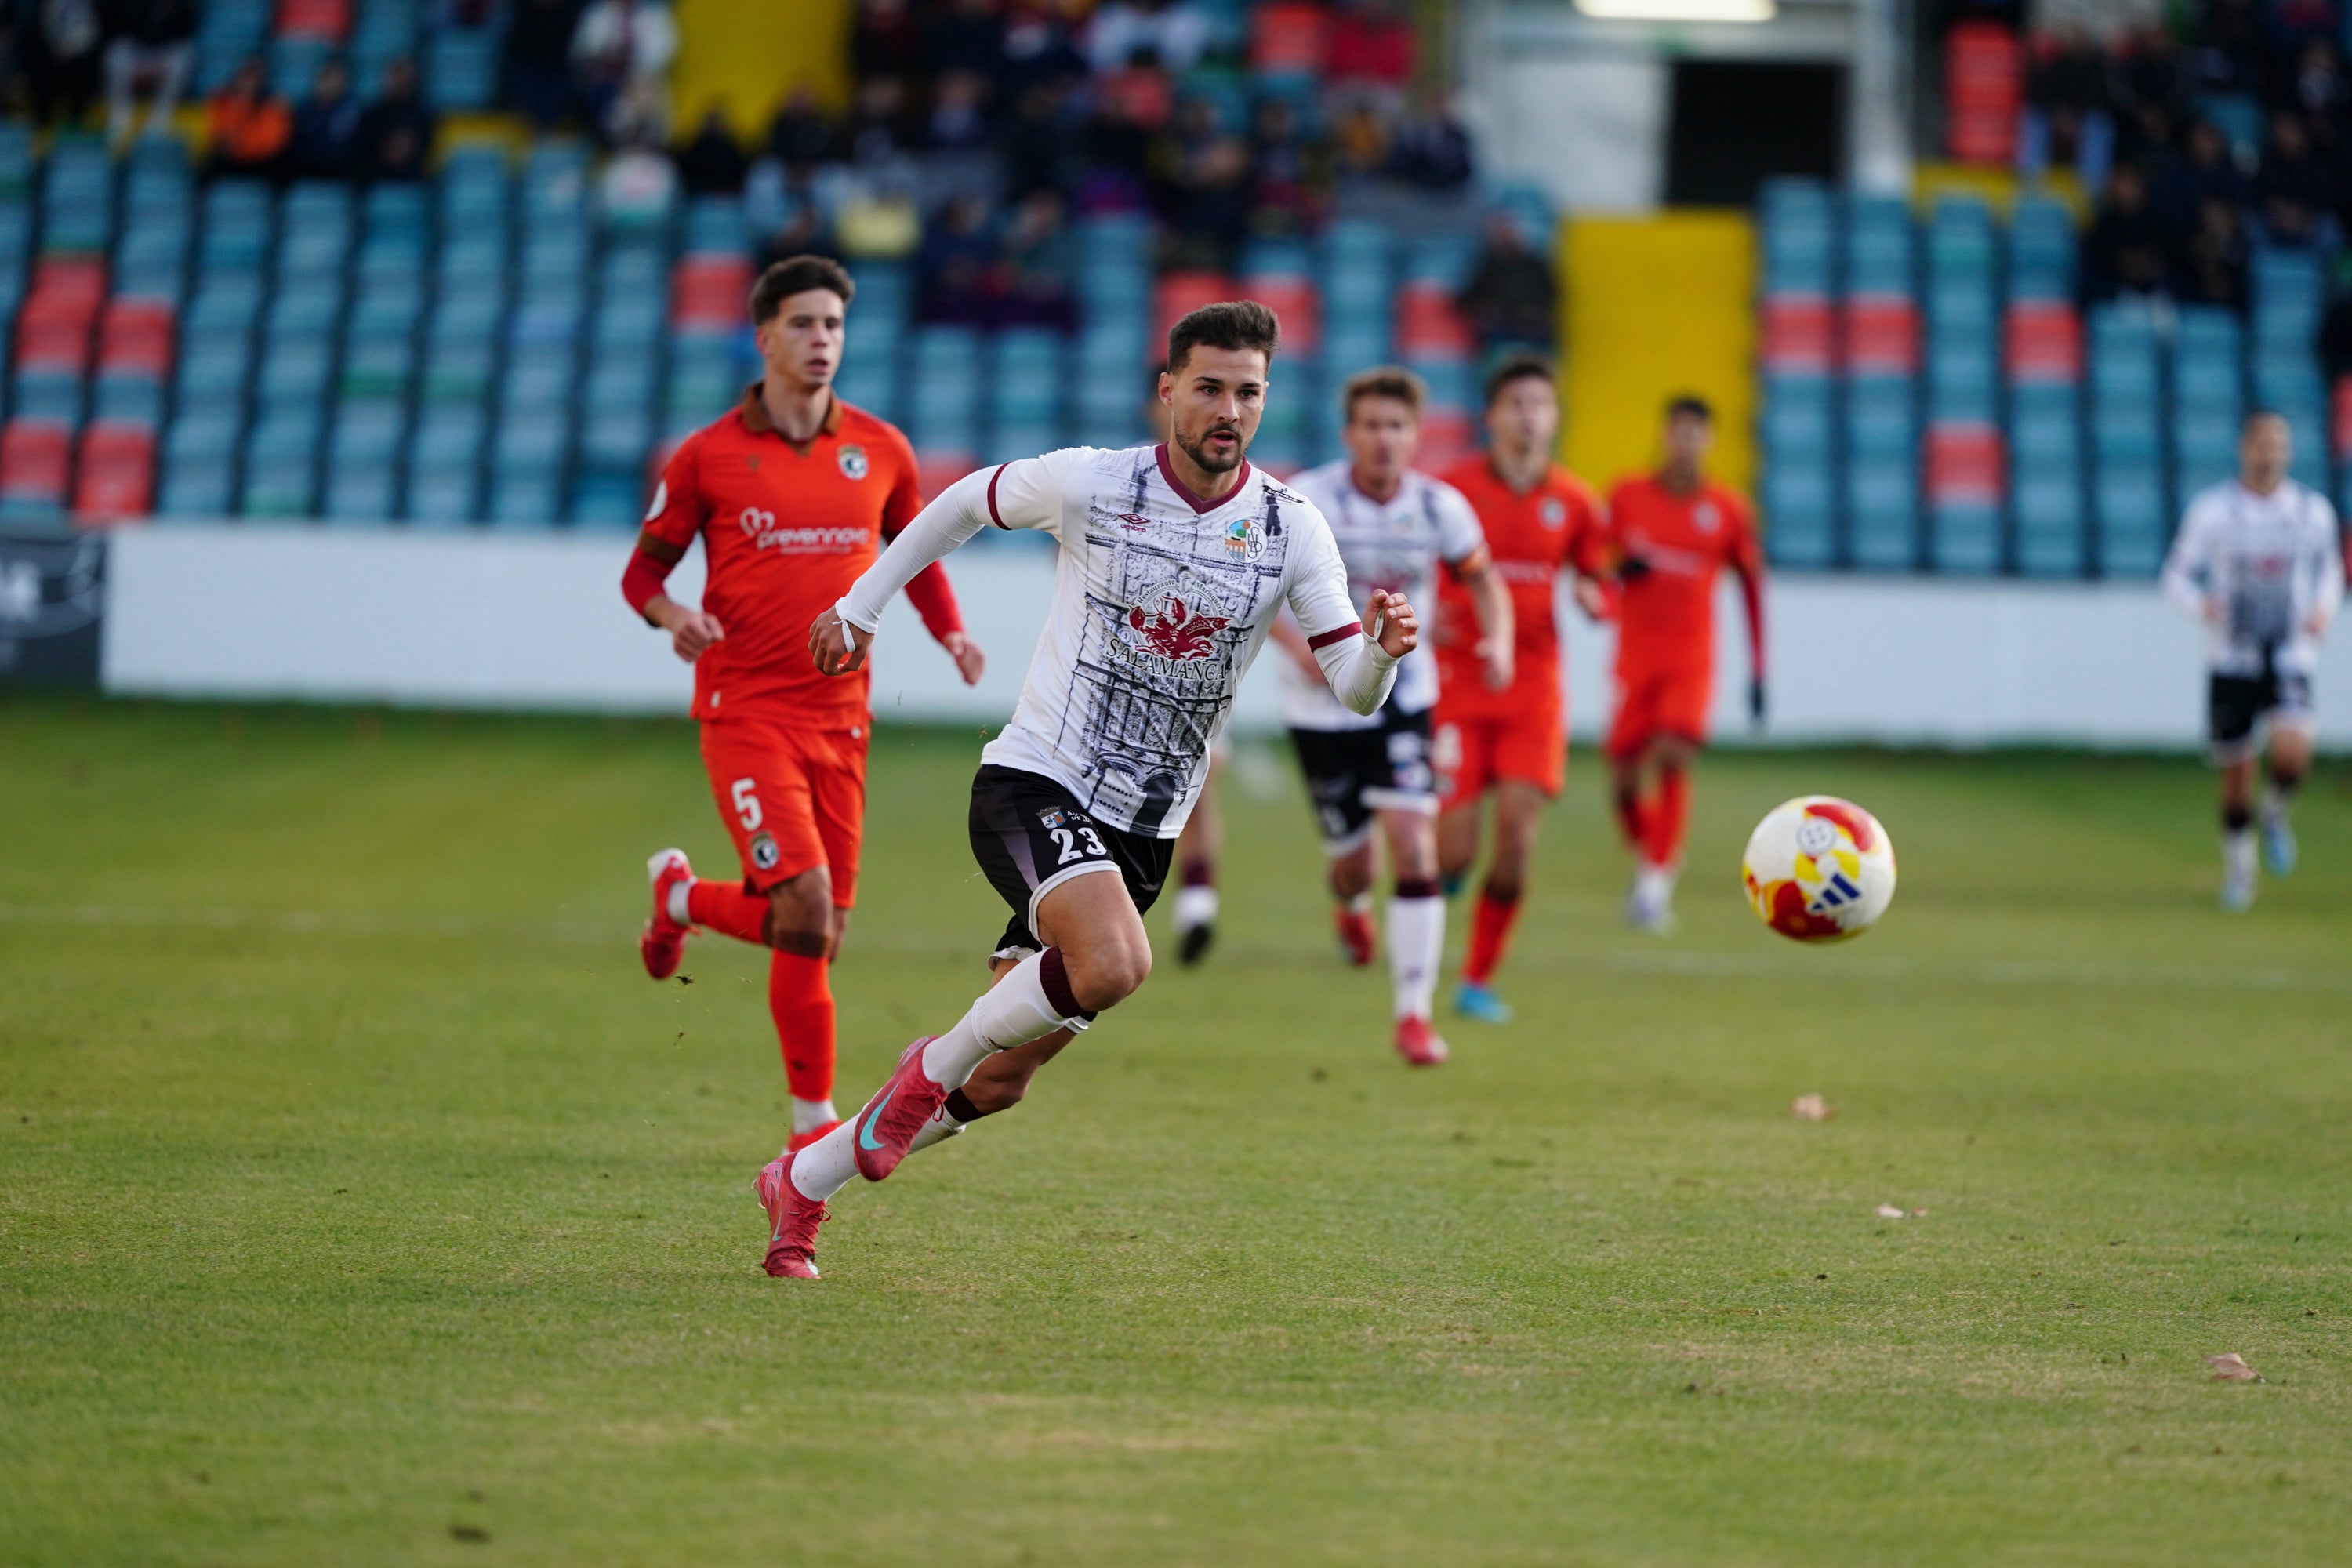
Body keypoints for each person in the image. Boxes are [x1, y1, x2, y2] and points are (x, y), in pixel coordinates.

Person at [770, 300, 1420, 1278]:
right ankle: (924, 1071)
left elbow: (1355, 689)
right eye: (1208, 388)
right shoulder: (1094, 483)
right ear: (1168, 390)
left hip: (1141, 835)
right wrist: (861, 605)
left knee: (1001, 1083)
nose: (1228, 411)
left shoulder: (1290, 527)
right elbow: (959, 503)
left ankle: (803, 1181)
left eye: (1247, 392)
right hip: (1036, 779)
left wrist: (1383, 651)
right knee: (1115, 961)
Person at [622, 256, 986, 1172]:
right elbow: (643, 573)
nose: (822, 340)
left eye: (833, 324)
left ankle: (681, 898)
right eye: (803, 324)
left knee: (819, 930)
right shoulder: (707, 455)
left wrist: (950, 633)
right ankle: (809, 1123)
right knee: (808, 907)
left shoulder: (882, 448)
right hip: (745, 708)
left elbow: (915, 553)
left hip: (841, 718)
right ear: (764, 337)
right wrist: (673, 614)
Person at [1276, 367, 1510, 1065]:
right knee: (1354, 865)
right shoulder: (1309, 501)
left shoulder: (1439, 506)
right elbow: (1267, 590)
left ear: (1416, 435)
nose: (1385, 439)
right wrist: (1299, 649)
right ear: (1350, 433)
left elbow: (1484, 580)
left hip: (1406, 697)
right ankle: (1350, 905)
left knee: (1413, 844)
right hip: (1322, 704)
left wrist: (1497, 639)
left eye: (1397, 426)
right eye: (1372, 426)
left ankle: (1413, 1014)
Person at [1433, 354, 1610, 1023]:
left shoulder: (1577, 501)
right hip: (1458, 683)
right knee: (1455, 852)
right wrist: (1425, 610)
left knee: (1514, 846)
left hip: (1533, 690)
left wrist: (1594, 597)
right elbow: (1412, 564)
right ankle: (1437, 883)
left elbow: (1596, 576)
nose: (1529, 416)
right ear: (1492, 416)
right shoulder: (1452, 492)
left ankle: (1477, 980)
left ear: (1554, 418)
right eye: (1517, 404)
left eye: (1540, 404)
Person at [2161, 409, 2343, 911]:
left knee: (2292, 753)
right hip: (2231, 657)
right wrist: (2202, 606)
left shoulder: (2311, 511)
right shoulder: (2214, 511)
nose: (2271, 454)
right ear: (2245, 449)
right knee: (2237, 773)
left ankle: (2276, 811)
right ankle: (2240, 872)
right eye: (2263, 444)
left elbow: (2330, 572)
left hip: (2289, 654)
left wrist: (2323, 612)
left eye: (2279, 444)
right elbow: (2175, 575)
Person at [1605, 396, 1765, 935]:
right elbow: (1597, 563)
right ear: (1664, 435)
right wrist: (1618, 573)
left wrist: (1758, 669)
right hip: (1635, 658)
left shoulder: (1728, 509)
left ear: (1709, 441)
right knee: (1624, 779)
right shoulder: (1627, 496)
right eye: (1678, 431)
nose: (1686, 442)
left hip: (1690, 659)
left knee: (1674, 755)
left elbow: (1752, 587)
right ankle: (1652, 853)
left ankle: (1655, 884)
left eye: (1697, 432)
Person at [102, 0, 195, 145]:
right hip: (137, 53)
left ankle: (160, 119)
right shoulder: (132, 5)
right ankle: (120, 117)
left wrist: (154, 66)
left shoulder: (183, 6)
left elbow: (185, 34)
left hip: (165, 55)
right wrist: (144, 64)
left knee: (184, 57)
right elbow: (120, 29)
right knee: (116, 54)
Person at [204, 56, 291, 179]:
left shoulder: (273, 106)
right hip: (225, 159)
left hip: (259, 163)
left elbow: (272, 142)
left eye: (255, 78)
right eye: (246, 76)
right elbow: (212, 131)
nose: (249, 83)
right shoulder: (221, 100)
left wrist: (242, 145)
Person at [354, 55, 434, 182]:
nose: (400, 81)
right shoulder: (372, 114)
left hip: (413, 179)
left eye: (405, 78)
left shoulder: (423, 114)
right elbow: (362, 149)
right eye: (396, 75)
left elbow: (428, 148)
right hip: (376, 177)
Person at [288, 56, 363, 181]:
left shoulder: (354, 110)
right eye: (327, 77)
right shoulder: (304, 109)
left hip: (340, 172)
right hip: (305, 170)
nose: (331, 83)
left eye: (337, 78)